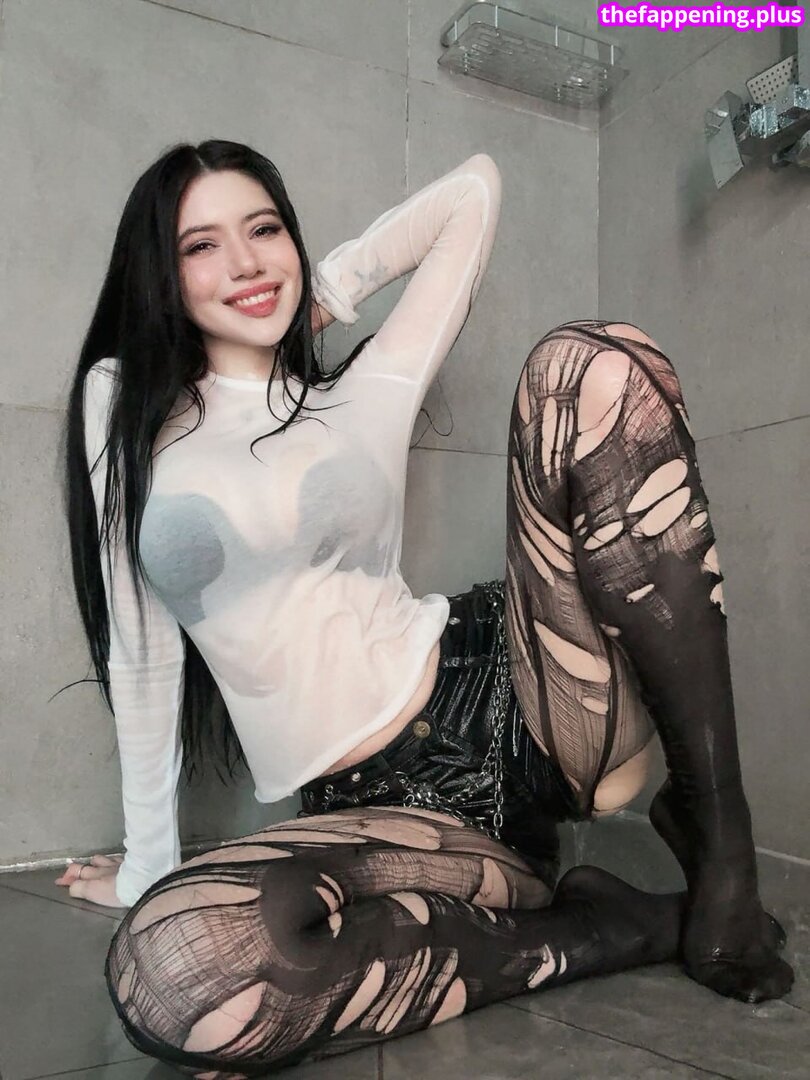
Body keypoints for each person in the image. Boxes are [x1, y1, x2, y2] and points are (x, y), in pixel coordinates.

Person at [56, 139, 791, 1077]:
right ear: (161, 271)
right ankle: (607, 928)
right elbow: (142, 648)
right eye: (201, 245)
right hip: (381, 812)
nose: (244, 262)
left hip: (522, 699)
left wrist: (327, 289)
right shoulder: (121, 404)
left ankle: (719, 837)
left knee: (590, 362)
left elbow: (473, 190)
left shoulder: (365, 389)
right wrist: (146, 865)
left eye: (264, 230)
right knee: (176, 974)